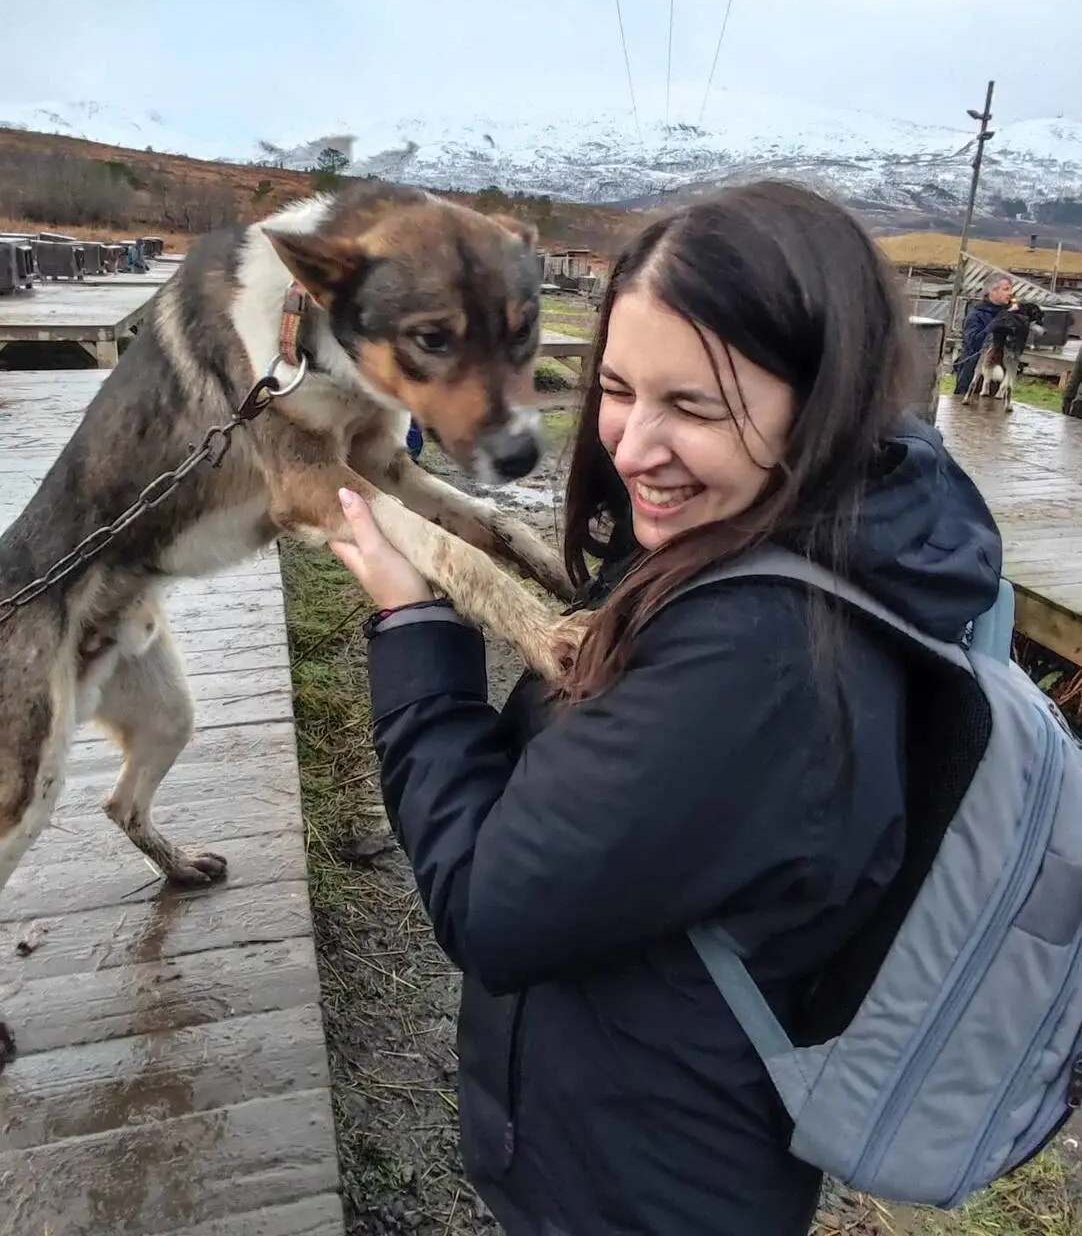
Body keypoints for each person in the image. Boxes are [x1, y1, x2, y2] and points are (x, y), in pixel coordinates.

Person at [330, 181, 1003, 1236]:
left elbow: (491, 906)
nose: (631, 444)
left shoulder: (759, 658)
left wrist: (416, 630)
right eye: (613, 387)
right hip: (665, 1144)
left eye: (690, 405)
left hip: (641, 1188)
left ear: (821, 394)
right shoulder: (812, 538)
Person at [953, 273, 1013, 395]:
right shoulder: (976, 315)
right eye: (1006, 289)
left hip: (999, 376)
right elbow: (974, 343)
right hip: (973, 374)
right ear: (992, 290)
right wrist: (995, 324)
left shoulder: (1010, 314)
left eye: (1011, 289)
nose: (1010, 293)